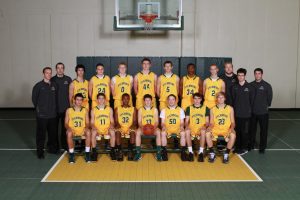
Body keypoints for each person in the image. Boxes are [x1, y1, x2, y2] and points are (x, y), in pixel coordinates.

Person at [32, 67, 58, 159]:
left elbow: (56, 99)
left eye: (50, 73)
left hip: (52, 115)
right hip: (42, 116)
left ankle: (52, 149)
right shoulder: (38, 86)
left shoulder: (54, 85)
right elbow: (34, 100)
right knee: (41, 135)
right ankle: (40, 153)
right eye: (47, 73)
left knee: (52, 134)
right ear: (43, 74)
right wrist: (40, 111)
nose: (49, 75)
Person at [206, 92, 236, 164]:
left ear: (225, 98)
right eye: (219, 97)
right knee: (207, 134)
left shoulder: (230, 108)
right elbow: (211, 122)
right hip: (216, 129)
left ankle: (226, 154)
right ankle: (212, 153)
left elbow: (233, 122)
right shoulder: (212, 109)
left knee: (233, 135)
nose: (220, 99)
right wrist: (209, 128)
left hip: (226, 130)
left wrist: (231, 129)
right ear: (216, 99)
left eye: (222, 97)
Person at [231, 68, 254, 155]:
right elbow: (233, 100)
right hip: (237, 114)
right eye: (239, 75)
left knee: (244, 132)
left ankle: (244, 148)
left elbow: (252, 101)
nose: (240, 77)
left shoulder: (250, 87)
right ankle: (237, 147)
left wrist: (249, 110)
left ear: (245, 76)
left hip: (246, 114)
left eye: (242, 75)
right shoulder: (234, 87)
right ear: (237, 76)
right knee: (237, 131)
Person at [250, 68, 273, 153]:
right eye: (256, 73)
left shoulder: (267, 85)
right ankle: (251, 145)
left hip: (263, 112)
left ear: (262, 74)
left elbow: (269, 98)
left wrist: (265, 106)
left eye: (259, 73)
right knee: (252, 130)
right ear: (254, 74)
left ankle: (262, 147)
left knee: (263, 130)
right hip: (252, 112)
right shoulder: (250, 85)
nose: (257, 75)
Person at [51, 62, 72, 151]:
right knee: (54, 130)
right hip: (55, 109)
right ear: (56, 69)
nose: (60, 69)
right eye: (58, 68)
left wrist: (71, 105)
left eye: (61, 68)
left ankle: (65, 145)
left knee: (65, 129)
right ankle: (55, 147)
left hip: (65, 109)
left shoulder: (68, 79)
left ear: (64, 69)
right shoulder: (52, 80)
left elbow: (71, 93)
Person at [134, 94, 162, 161]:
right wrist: (142, 128)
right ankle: (138, 152)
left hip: (153, 127)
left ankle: (158, 152)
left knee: (158, 132)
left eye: (149, 100)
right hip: (143, 128)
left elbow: (156, 122)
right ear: (144, 101)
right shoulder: (141, 110)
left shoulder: (155, 110)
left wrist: (153, 128)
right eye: (146, 100)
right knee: (137, 132)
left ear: (151, 101)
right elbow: (139, 121)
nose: (147, 102)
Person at [65, 93, 91, 163]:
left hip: (82, 130)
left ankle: (87, 153)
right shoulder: (69, 110)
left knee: (88, 132)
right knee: (69, 133)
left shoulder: (85, 110)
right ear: (74, 100)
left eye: (80, 100)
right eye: (77, 100)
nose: (79, 101)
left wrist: (86, 127)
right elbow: (66, 123)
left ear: (82, 101)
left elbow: (88, 123)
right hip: (72, 130)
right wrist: (68, 128)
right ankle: (71, 154)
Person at [160, 94, 186, 161]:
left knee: (183, 133)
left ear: (176, 101)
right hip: (167, 128)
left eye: (173, 99)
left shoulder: (180, 110)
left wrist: (182, 126)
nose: (171, 101)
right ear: (167, 101)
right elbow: (162, 122)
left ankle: (183, 152)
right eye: (169, 99)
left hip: (177, 128)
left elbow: (182, 122)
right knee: (162, 133)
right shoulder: (164, 110)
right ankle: (164, 151)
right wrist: (163, 127)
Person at [90, 93, 116, 161]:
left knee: (112, 132)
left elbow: (112, 121)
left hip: (107, 129)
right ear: (97, 100)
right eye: (99, 98)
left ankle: (112, 151)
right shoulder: (93, 110)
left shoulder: (109, 109)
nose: (101, 100)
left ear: (105, 100)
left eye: (102, 98)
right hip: (97, 129)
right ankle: (94, 152)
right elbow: (92, 122)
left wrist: (111, 126)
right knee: (93, 132)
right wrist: (93, 127)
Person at [185, 93, 209, 162]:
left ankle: (201, 152)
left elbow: (207, 122)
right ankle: (190, 152)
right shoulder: (189, 108)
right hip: (192, 128)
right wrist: (186, 126)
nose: (197, 100)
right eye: (195, 98)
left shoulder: (206, 108)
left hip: (201, 129)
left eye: (198, 98)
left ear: (201, 99)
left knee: (203, 131)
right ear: (193, 99)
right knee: (186, 131)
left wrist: (204, 126)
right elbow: (186, 121)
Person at [114, 93, 137, 161]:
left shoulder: (133, 109)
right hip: (121, 126)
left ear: (129, 99)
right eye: (124, 99)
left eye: (127, 99)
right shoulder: (117, 109)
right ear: (122, 100)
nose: (125, 100)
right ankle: (119, 151)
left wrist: (133, 125)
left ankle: (130, 150)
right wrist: (117, 124)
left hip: (129, 126)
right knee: (117, 132)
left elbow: (135, 120)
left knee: (133, 133)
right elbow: (116, 120)